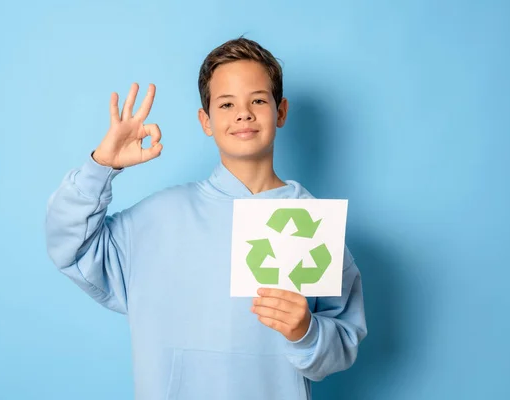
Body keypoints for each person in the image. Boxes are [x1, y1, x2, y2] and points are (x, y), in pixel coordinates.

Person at [45, 37, 367, 400]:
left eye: (258, 100)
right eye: (226, 103)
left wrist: (307, 331)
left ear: (280, 111)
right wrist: (100, 167)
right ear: (206, 120)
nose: (243, 113)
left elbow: (343, 344)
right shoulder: (158, 218)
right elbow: (69, 247)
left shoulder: (313, 225)